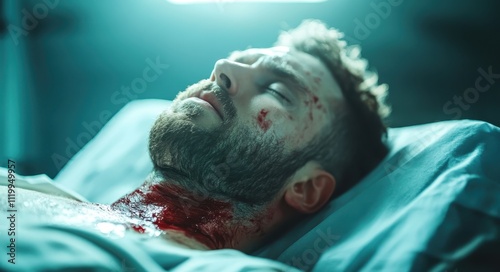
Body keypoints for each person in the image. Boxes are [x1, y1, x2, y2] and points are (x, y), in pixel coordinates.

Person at [1, 19, 390, 255]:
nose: (222, 67)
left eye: (277, 91)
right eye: (237, 57)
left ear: (306, 188)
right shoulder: (23, 189)